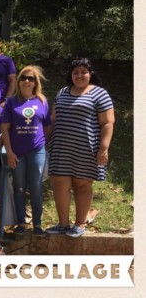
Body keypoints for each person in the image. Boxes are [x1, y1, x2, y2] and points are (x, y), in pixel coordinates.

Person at [46, 58, 115, 239]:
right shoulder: (62, 92)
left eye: (83, 72)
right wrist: (44, 140)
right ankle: (62, 224)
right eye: (75, 72)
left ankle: (79, 224)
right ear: (71, 75)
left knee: (82, 185)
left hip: (86, 149)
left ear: (90, 73)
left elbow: (108, 123)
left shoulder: (100, 94)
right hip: (60, 148)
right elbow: (53, 119)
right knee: (60, 185)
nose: (79, 75)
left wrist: (103, 148)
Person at [0, 65, 52, 235]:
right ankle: (21, 223)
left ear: (36, 82)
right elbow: (5, 129)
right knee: (19, 188)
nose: (27, 81)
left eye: (31, 78)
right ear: (19, 81)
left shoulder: (42, 101)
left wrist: (41, 143)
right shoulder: (11, 102)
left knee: (36, 187)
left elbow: (47, 127)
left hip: (37, 151)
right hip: (17, 153)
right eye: (23, 78)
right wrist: (9, 151)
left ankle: (37, 224)